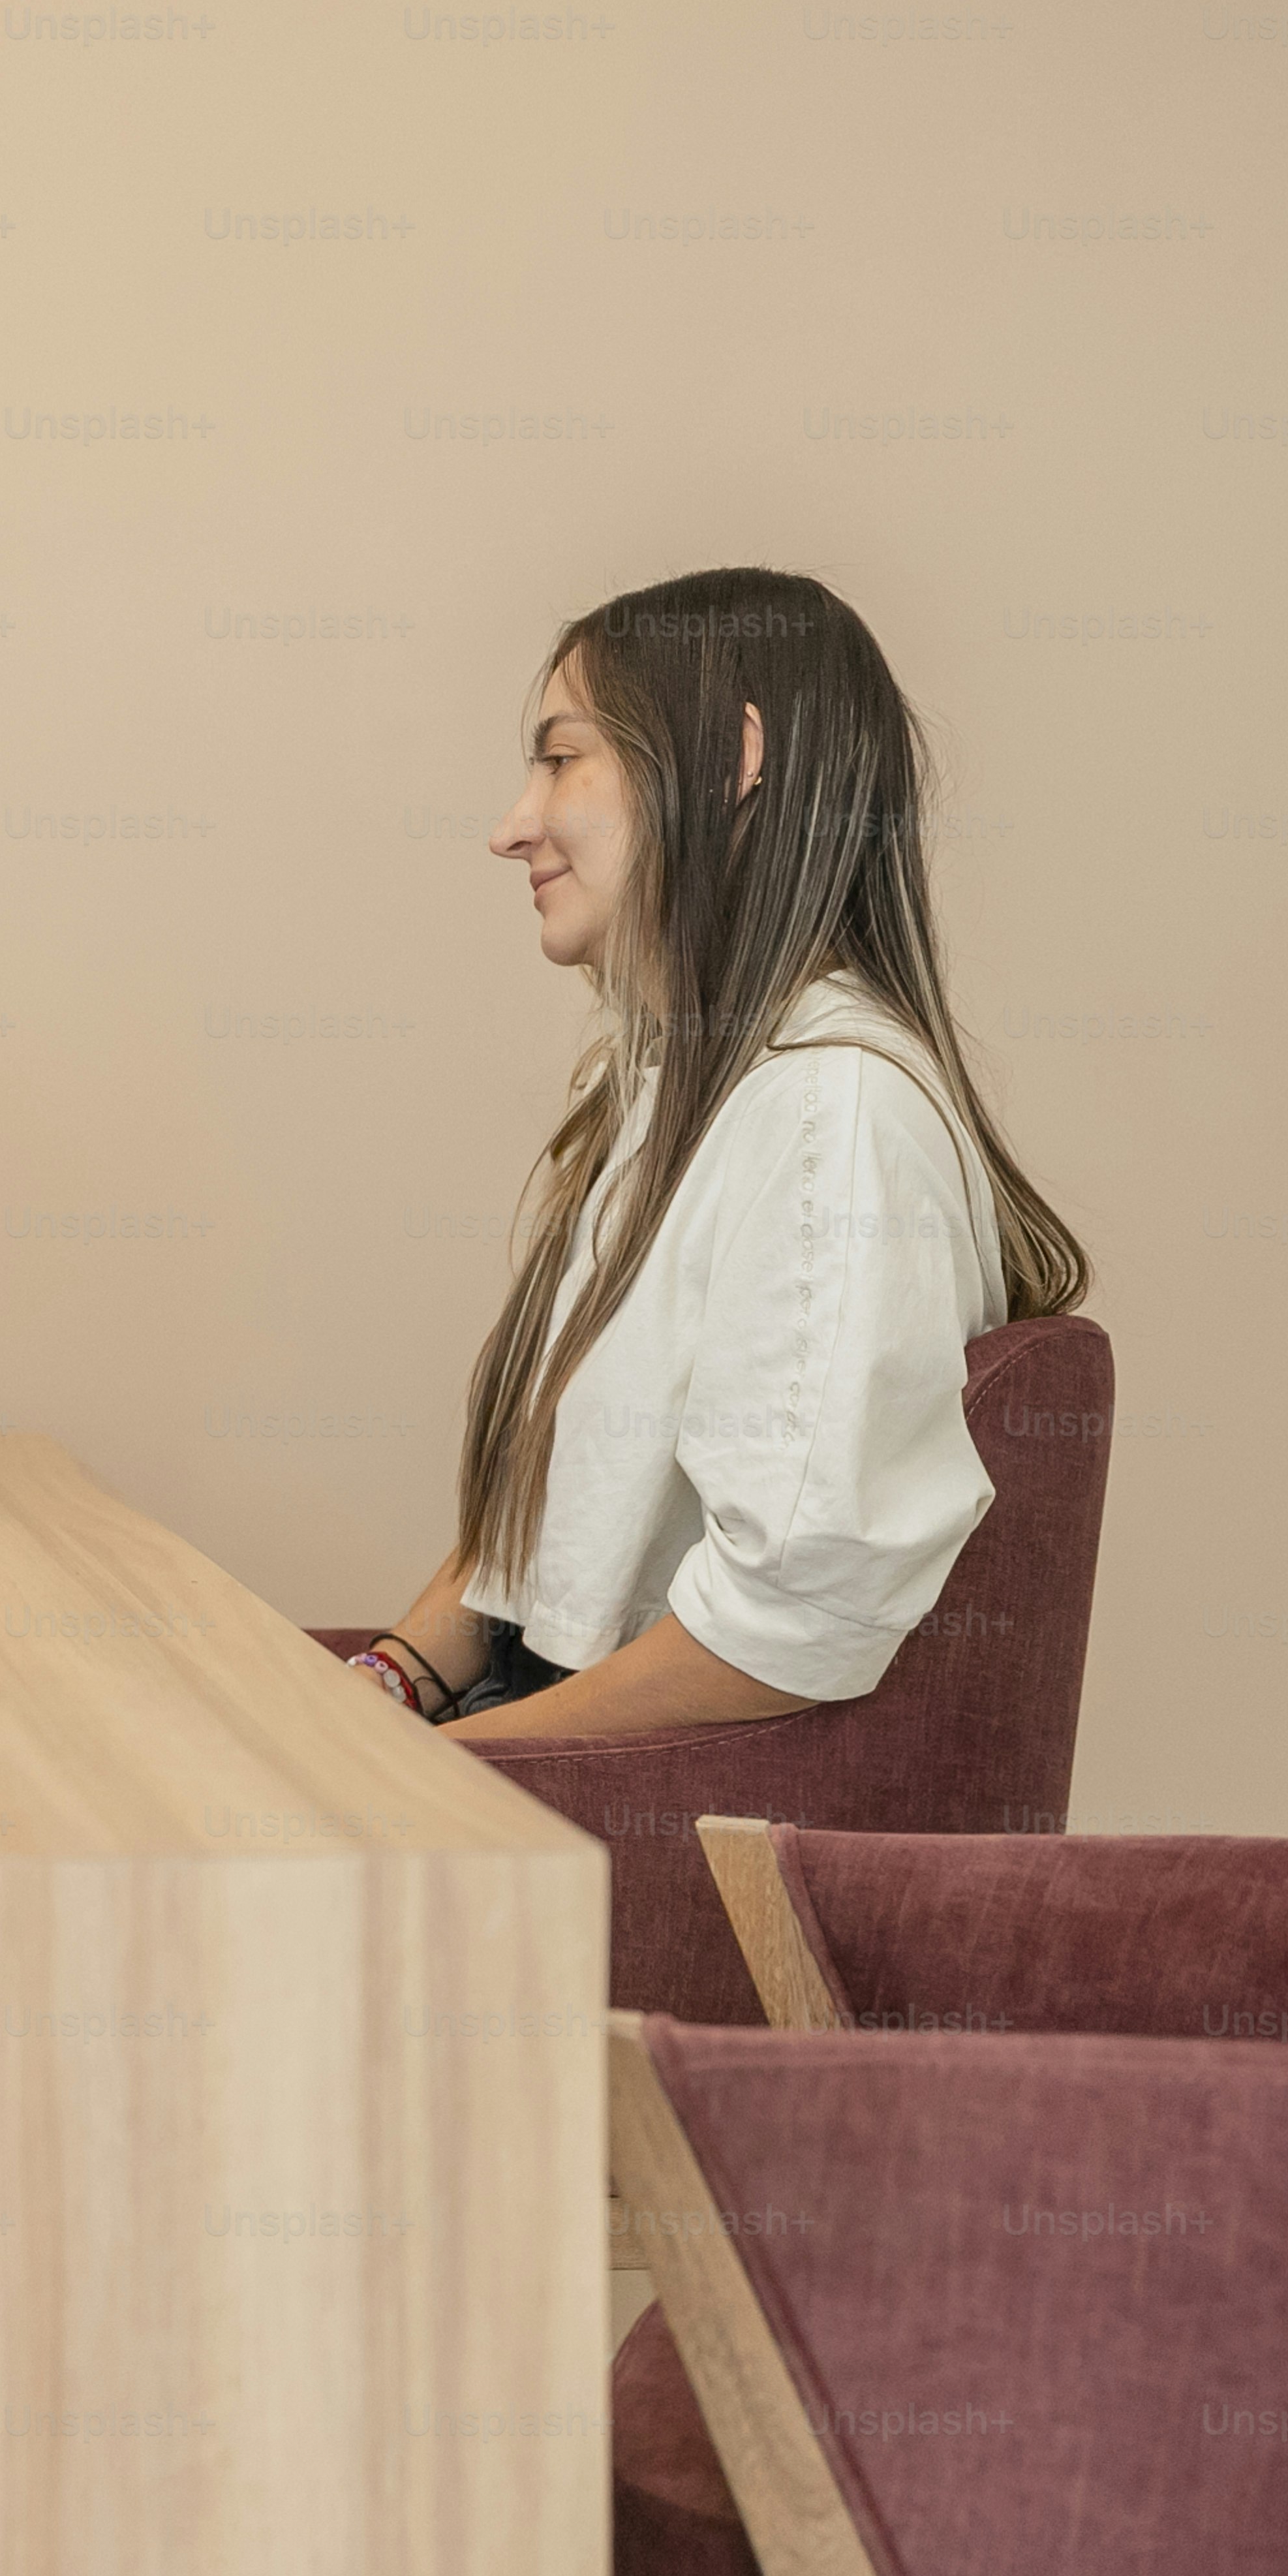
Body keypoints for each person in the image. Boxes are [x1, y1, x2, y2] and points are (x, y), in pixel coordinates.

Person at [343, 568, 1088, 1739]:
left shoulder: (826, 1119)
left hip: (606, 1824)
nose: (511, 826)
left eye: (560, 759)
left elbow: (786, 1626)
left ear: (735, 761)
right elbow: (539, 1549)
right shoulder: (689, 1095)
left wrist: (426, 1768)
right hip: (533, 1743)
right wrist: (374, 1698)